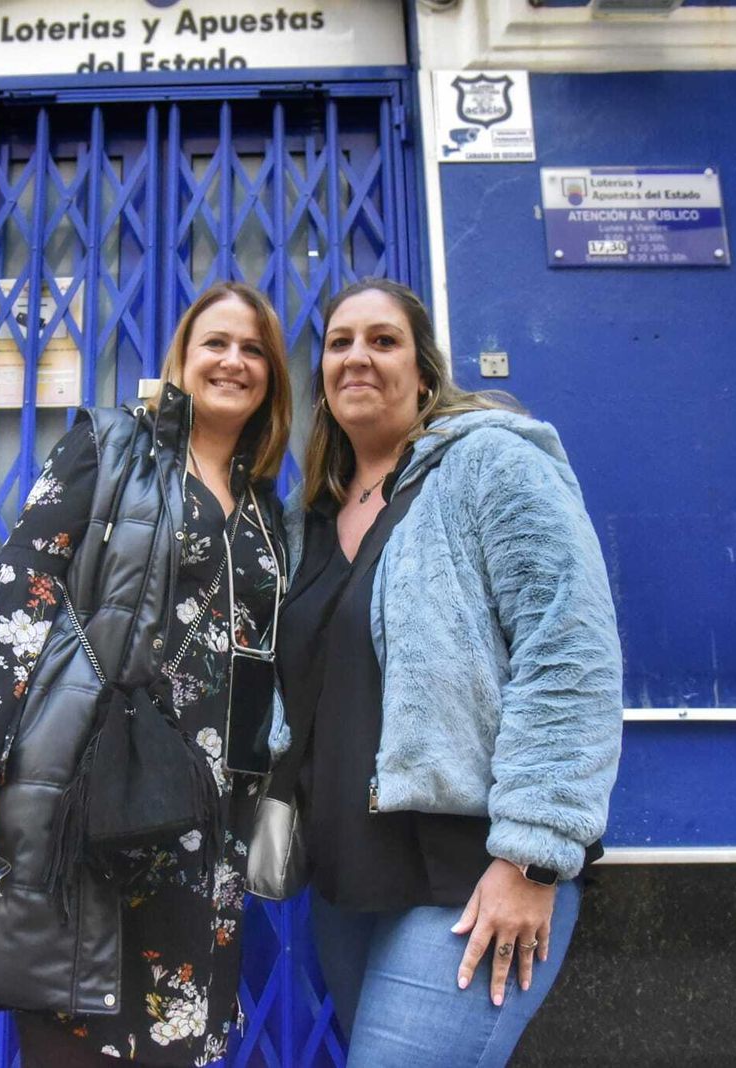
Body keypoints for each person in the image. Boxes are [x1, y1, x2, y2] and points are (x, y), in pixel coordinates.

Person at [0, 281, 293, 1067]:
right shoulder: (111, 446)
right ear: (181, 360)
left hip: (209, 825)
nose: (234, 360)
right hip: (98, 807)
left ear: (275, 376)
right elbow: (16, 596)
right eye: (214, 343)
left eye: (254, 349)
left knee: (183, 1043)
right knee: (79, 1035)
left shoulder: (267, 509)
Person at [273, 278, 622, 1068]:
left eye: (383, 340)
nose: (358, 355)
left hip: (471, 870)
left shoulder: (489, 465)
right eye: (339, 342)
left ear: (425, 372)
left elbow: (568, 650)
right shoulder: (311, 522)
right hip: (347, 886)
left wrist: (532, 854)